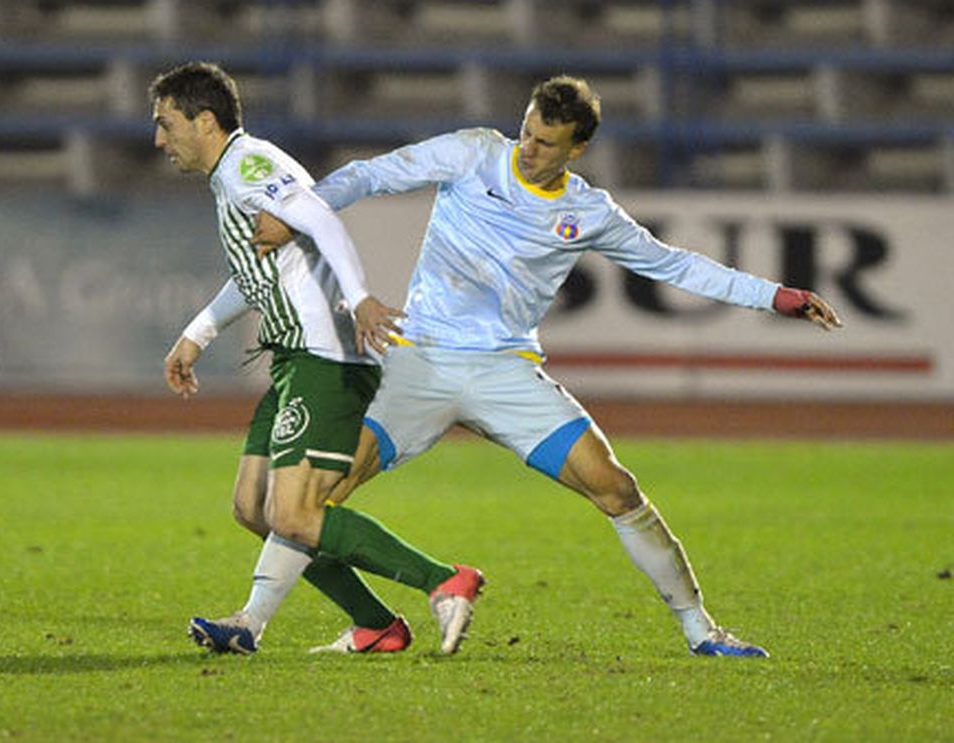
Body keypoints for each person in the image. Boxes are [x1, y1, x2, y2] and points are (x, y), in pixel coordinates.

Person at [252, 75, 843, 658]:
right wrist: (298, 214)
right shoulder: (474, 153)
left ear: (576, 149)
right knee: (312, 500)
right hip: (418, 361)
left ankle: (701, 629)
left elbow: (672, 265)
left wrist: (774, 296)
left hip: (504, 372)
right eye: (526, 131)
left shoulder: (588, 211)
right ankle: (266, 623)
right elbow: (369, 174)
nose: (527, 149)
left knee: (616, 488)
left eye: (544, 142)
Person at [150, 62, 484, 656]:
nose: (159, 140)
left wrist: (360, 300)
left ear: (205, 121)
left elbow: (322, 220)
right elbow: (257, 272)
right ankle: (376, 625)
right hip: (292, 358)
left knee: (298, 514)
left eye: (166, 123)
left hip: (322, 357)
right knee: (255, 508)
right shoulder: (231, 176)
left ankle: (444, 580)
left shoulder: (250, 165)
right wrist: (197, 333)